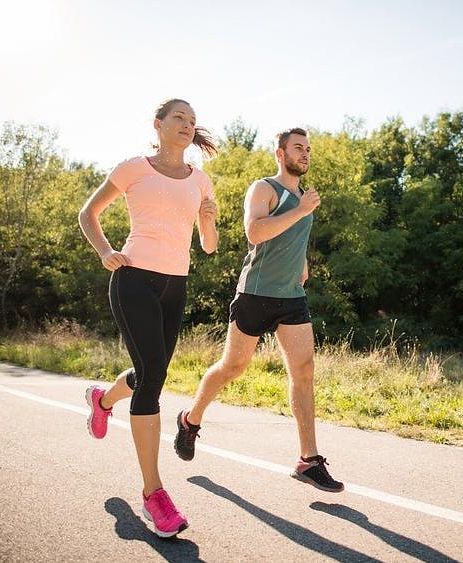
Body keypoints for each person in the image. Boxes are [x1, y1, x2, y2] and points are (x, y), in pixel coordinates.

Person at [173, 127, 344, 493]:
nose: (305, 153)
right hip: (255, 294)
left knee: (304, 371)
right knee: (232, 367)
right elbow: (255, 232)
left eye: (308, 148)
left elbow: (294, 237)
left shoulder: (302, 196)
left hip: (291, 297)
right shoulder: (264, 188)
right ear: (280, 154)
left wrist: (302, 263)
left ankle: (309, 460)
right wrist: (301, 210)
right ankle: (190, 420)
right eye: (298, 147)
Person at [78, 98, 219, 537]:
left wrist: (209, 220)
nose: (187, 124)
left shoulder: (201, 180)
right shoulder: (133, 168)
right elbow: (88, 213)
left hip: (175, 285)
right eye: (179, 117)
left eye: (192, 120)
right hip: (133, 278)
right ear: (158, 125)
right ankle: (153, 493)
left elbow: (209, 246)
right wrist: (105, 251)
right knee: (153, 376)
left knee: (149, 372)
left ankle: (103, 401)